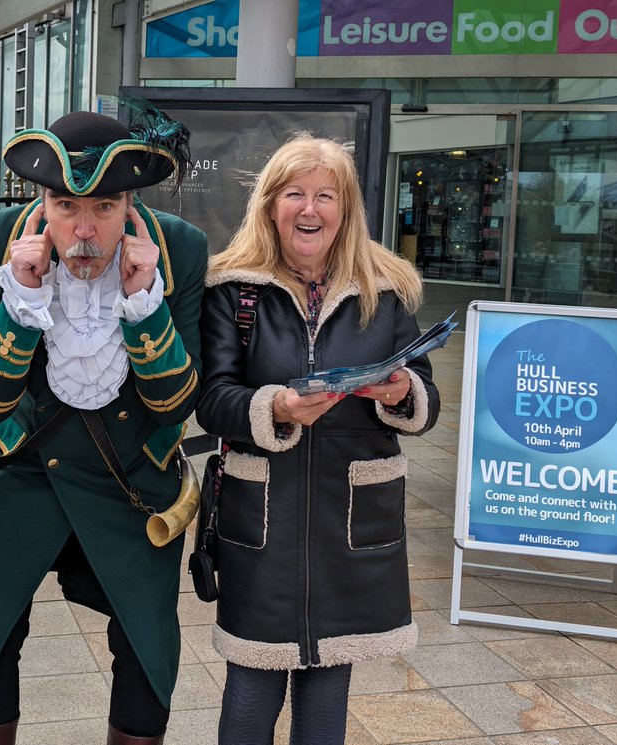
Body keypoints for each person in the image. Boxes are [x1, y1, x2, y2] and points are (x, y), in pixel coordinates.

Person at [0, 109, 207, 745]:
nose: (85, 229)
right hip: (23, 469)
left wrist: (145, 307)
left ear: (130, 204)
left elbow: (176, 403)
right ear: (42, 201)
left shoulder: (179, 249)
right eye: (66, 205)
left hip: (133, 478)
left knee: (147, 653)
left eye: (105, 206)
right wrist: (23, 302)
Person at [195, 133, 441, 744]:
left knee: (329, 689)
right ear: (270, 205)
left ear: (347, 208)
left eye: (325, 195)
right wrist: (274, 406)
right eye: (295, 194)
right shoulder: (232, 289)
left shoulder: (385, 291)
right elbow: (210, 399)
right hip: (264, 517)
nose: (310, 209)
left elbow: (427, 400)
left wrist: (399, 391)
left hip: (352, 520)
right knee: (251, 693)